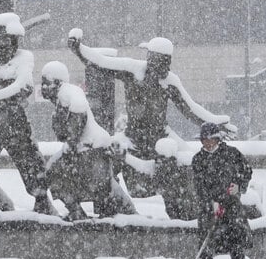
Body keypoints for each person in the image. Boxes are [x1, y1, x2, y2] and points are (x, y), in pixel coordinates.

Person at [67, 29, 233, 161]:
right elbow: (101, 63)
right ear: (151, 60)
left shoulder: (169, 82)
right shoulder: (132, 71)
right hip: (132, 135)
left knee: (187, 161)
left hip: (162, 135)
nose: (166, 68)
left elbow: (190, 109)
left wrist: (214, 123)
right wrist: (79, 50)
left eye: (168, 62)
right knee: (106, 157)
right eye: (162, 62)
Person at [0, 13, 50, 212]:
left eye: (8, 39)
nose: (4, 44)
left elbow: (23, 86)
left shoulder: (24, 58)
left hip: (15, 120)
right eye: (0, 39)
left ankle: (41, 201)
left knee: (30, 161)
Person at [39, 61, 136, 220]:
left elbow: (79, 109)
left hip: (91, 146)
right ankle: (120, 212)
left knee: (57, 174)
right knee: (101, 185)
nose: (43, 88)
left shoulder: (67, 92)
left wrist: (71, 142)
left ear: (58, 82)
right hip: (90, 145)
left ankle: (81, 212)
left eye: (46, 84)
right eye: (42, 83)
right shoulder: (62, 96)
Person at [192, 122, 252, 259]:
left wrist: (239, 186)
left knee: (236, 246)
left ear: (218, 139)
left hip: (232, 209)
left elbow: (247, 170)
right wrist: (211, 203)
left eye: (210, 139)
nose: (207, 143)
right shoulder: (198, 159)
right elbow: (199, 185)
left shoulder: (232, 154)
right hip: (208, 210)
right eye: (204, 139)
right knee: (205, 245)